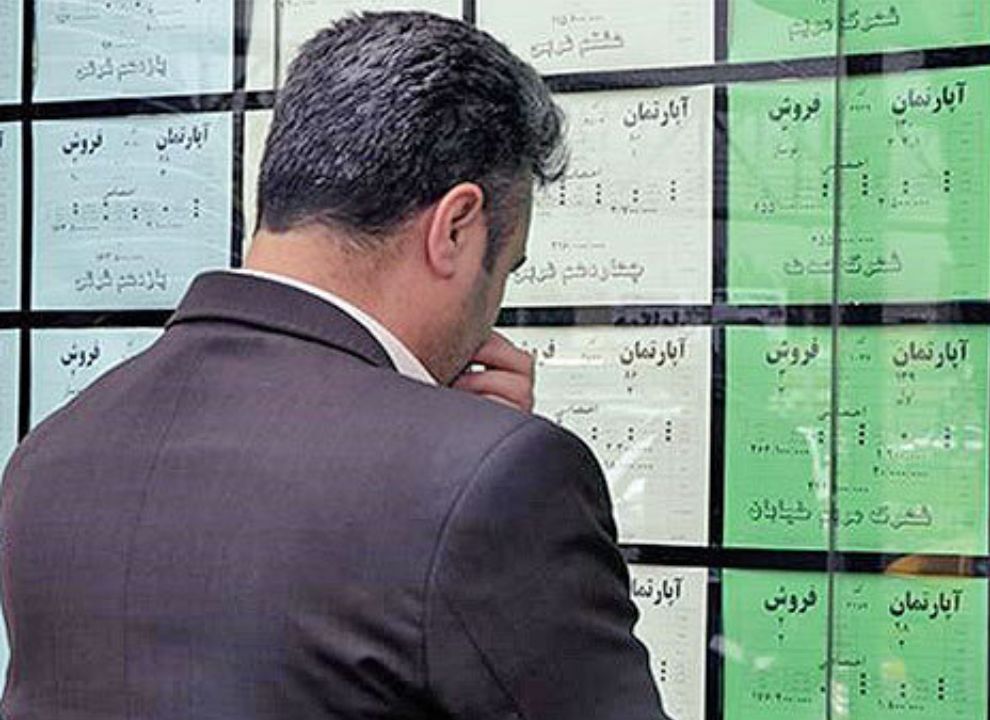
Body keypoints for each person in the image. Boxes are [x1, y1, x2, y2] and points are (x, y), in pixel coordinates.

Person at [1, 12, 669, 720]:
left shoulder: (51, 454)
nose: (492, 315)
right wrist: (470, 460)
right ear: (455, 228)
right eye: (505, 271)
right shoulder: (497, 480)